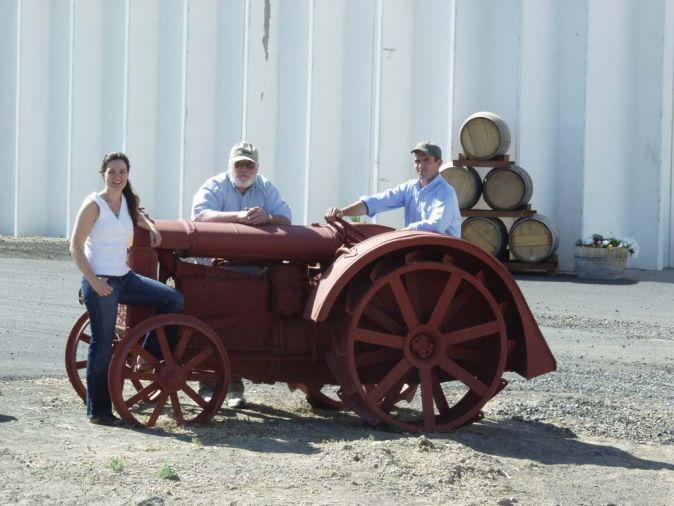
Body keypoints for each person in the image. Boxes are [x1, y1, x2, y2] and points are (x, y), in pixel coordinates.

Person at [70, 152, 184, 426]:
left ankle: (147, 356)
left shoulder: (126, 202)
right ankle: (98, 411)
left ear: (127, 174)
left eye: (122, 171)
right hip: (102, 281)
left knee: (173, 300)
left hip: (124, 277)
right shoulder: (93, 204)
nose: (117, 176)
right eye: (111, 172)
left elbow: (137, 215)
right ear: (103, 174)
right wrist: (95, 281)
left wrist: (151, 227)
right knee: (102, 344)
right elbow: (75, 246)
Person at [191, 141, 292, 408]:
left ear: (257, 168)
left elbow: (286, 218)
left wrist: (267, 216)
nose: (244, 169)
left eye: (249, 165)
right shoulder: (214, 185)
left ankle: (234, 386)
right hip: (213, 271)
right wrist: (239, 216)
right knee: (213, 323)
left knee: (243, 327)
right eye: (239, 164)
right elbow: (201, 216)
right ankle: (209, 385)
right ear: (230, 165)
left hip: (253, 273)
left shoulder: (266, 187)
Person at [325, 141, 461, 238]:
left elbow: (436, 226)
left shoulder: (445, 193)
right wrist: (341, 212)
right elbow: (377, 202)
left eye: (426, 160)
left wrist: (404, 232)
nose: (421, 166)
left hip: (442, 256)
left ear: (439, 163)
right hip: (419, 249)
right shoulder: (409, 188)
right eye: (417, 161)